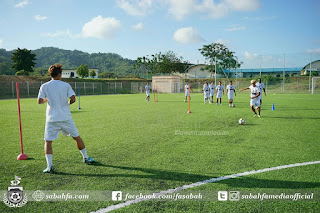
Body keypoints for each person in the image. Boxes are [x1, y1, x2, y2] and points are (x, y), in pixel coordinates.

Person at [37, 63, 94, 173]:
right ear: (59, 74)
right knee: (76, 137)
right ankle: (86, 158)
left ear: (51, 74)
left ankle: (50, 167)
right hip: (65, 117)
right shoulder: (65, 85)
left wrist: (46, 100)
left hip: (51, 119)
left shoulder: (44, 86)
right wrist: (67, 103)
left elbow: (39, 101)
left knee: (48, 141)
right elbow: (73, 99)